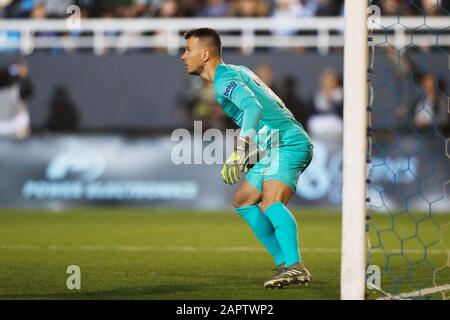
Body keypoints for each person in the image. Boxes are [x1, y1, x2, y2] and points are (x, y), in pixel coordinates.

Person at [181, 27, 314, 288]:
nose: (183, 56)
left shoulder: (223, 79)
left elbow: (252, 107)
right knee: (243, 199)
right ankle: (284, 263)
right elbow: (266, 108)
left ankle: (296, 266)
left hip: (288, 143)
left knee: (271, 202)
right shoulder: (236, 71)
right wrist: (253, 151)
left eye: (188, 50)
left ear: (205, 53)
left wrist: (242, 148)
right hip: (277, 142)